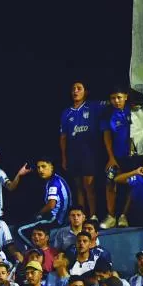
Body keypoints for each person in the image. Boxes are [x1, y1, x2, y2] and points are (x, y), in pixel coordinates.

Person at [59, 81, 103, 218]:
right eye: (73, 89)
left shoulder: (93, 107)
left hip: (89, 153)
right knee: (78, 187)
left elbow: (110, 104)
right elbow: (63, 137)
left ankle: (93, 215)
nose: (75, 91)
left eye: (79, 88)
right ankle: (81, 215)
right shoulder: (66, 113)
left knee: (89, 185)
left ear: (86, 92)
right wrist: (64, 157)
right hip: (73, 154)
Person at [14, 159, 72, 248]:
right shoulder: (57, 178)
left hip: (55, 218)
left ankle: (37, 252)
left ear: (51, 167)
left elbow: (51, 205)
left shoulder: (53, 183)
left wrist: (39, 214)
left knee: (19, 230)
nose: (40, 170)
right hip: (61, 217)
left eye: (43, 166)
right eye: (38, 167)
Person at [100, 85, 132, 229]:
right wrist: (111, 157)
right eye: (113, 98)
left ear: (125, 96)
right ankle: (111, 216)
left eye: (119, 97)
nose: (116, 101)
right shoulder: (108, 115)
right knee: (109, 181)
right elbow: (107, 138)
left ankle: (124, 216)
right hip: (116, 157)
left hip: (133, 157)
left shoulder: (134, 111)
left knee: (132, 183)